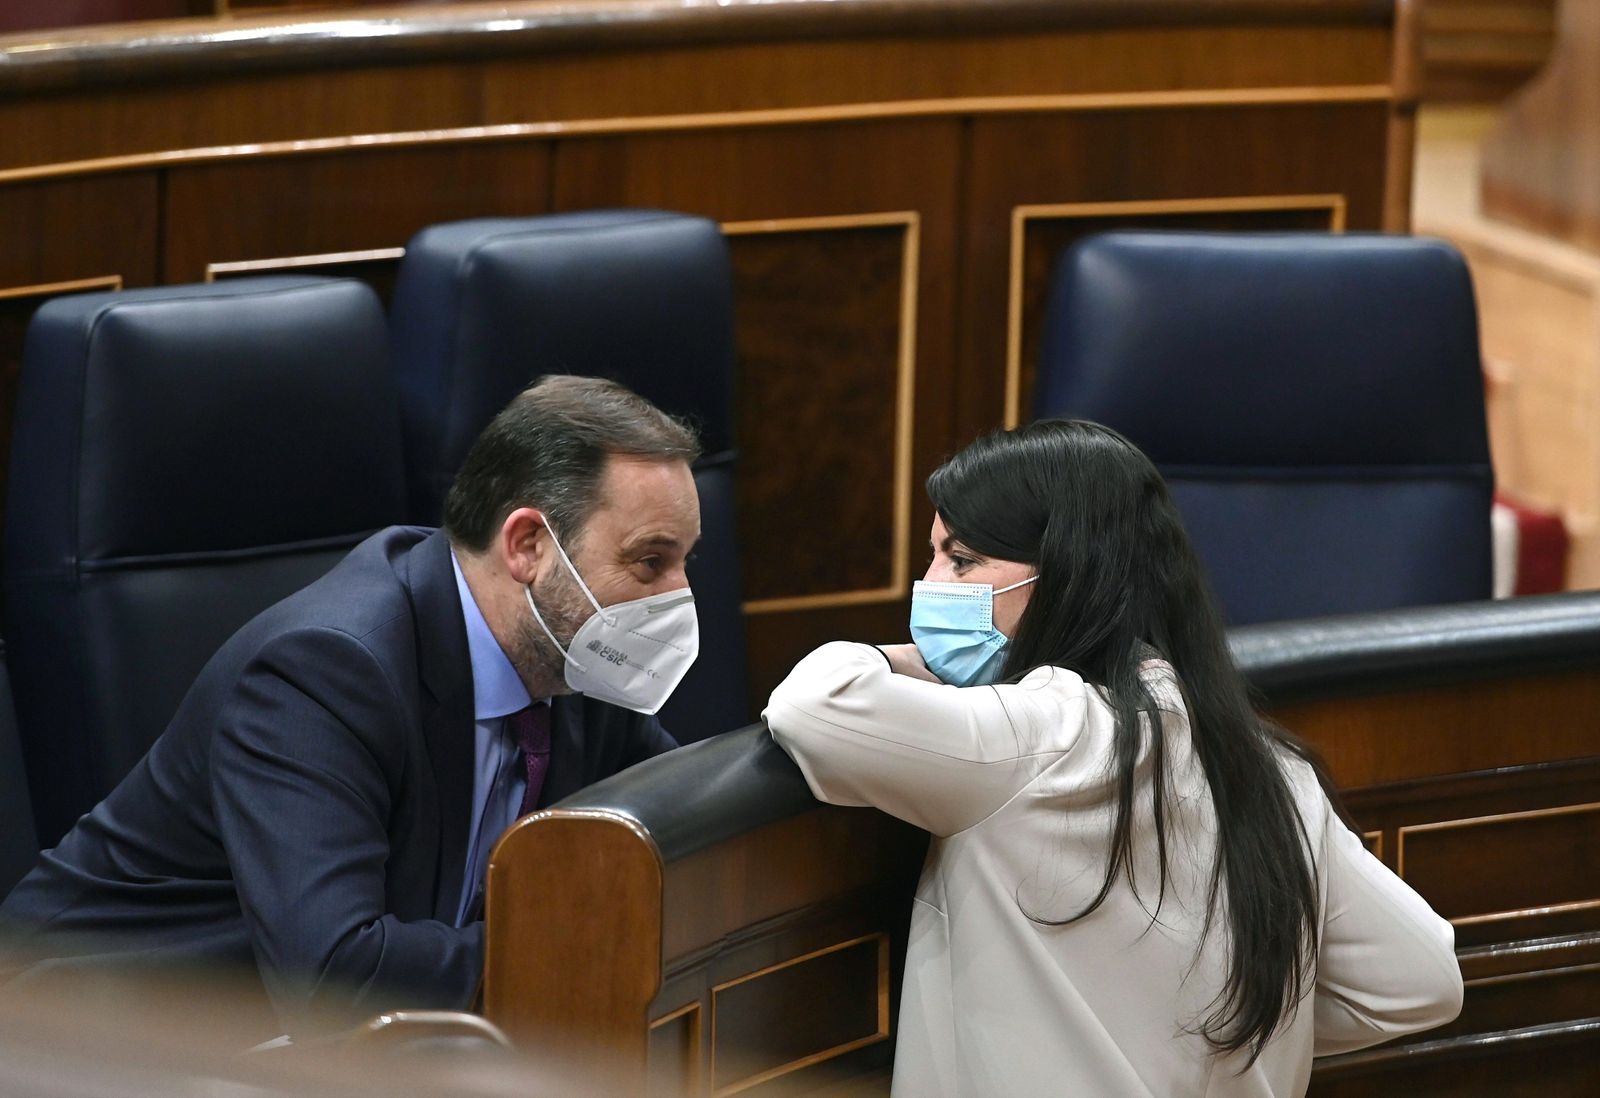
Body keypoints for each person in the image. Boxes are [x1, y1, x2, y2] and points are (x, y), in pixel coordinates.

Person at [765, 419, 1463, 1097]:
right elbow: (1419, 982)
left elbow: (814, 707)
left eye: (962, 558)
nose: (932, 583)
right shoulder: (1267, 762)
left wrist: (912, 662)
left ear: (1068, 571)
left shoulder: (1037, 732)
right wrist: (1205, 1038)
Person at [0, 375, 702, 1031]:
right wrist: (589, 946)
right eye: (649, 562)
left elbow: (694, 830)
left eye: (685, 564)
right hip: (86, 1034)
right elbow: (337, 978)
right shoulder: (327, 671)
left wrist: (793, 747)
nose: (677, 597)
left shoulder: (574, 664)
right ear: (527, 545)